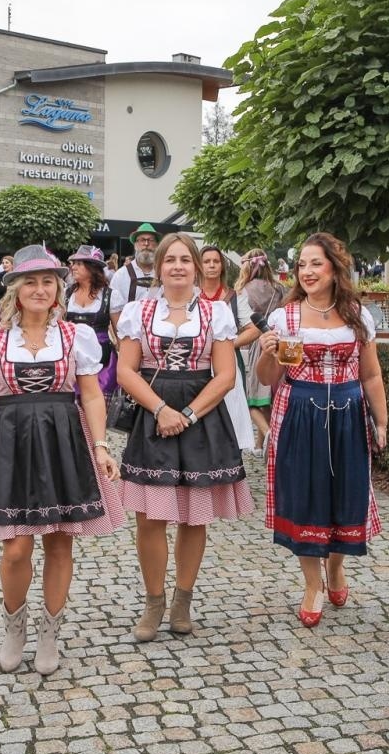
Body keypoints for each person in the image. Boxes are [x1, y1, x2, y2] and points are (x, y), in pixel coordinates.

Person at [0, 245, 123, 674]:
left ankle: (50, 631)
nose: (40, 289)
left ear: (57, 289)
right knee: (16, 548)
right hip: (11, 442)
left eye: (48, 281)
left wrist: (101, 446)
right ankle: (15, 628)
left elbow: (91, 396)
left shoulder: (74, 336)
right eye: (30, 281)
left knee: (60, 542)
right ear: (14, 289)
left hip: (63, 439)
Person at [116, 233, 252, 641]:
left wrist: (188, 414)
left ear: (196, 267)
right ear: (159, 267)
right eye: (170, 259)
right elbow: (126, 371)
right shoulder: (138, 312)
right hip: (152, 414)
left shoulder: (216, 313)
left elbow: (225, 376)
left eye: (185, 260)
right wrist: (161, 410)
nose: (177, 266)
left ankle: (182, 601)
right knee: (150, 518)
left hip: (201, 417)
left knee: (194, 517)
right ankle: (153, 601)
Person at [255, 233, 389, 627]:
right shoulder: (285, 317)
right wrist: (267, 352)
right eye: (302, 265)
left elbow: (371, 374)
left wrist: (381, 421)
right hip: (299, 410)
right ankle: (312, 584)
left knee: (345, 494)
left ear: (334, 267)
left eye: (316, 263)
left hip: (348, 413)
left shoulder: (357, 315)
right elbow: (268, 378)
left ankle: (336, 566)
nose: (307, 271)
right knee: (304, 497)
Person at [199, 245, 257, 451]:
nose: (211, 265)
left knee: (231, 411)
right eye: (207, 261)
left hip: (227, 363)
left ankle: (229, 455)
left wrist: (228, 345)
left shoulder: (234, 297)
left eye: (216, 261)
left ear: (222, 266)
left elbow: (253, 328)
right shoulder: (191, 295)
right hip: (197, 362)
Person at [235, 249, 284, 451]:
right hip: (279, 340)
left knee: (253, 398)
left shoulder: (243, 289)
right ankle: (259, 444)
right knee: (270, 395)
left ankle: (270, 435)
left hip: (259, 341)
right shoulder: (279, 288)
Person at [64, 245, 117, 397]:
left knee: (98, 399)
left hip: (103, 361)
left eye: (79, 264)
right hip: (73, 357)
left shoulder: (110, 295)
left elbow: (119, 333)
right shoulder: (67, 294)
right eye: (73, 263)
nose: (73, 267)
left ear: (92, 268)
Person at [110, 223, 162, 327]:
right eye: (142, 240)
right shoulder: (121, 275)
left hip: (160, 332)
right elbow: (114, 310)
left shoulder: (165, 273)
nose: (146, 244)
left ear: (157, 245)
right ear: (135, 245)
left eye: (151, 240)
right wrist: (122, 335)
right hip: (130, 333)